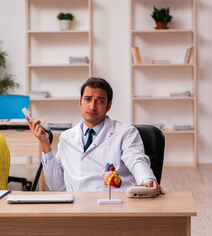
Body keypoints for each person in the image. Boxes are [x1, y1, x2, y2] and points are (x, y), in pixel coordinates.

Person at [27, 77, 164, 195]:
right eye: (87, 99)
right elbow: (57, 188)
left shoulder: (126, 132)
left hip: (113, 206)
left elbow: (136, 160)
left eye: (99, 101)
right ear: (80, 101)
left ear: (108, 106)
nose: (92, 106)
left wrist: (147, 180)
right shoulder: (67, 137)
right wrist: (45, 145)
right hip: (77, 208)